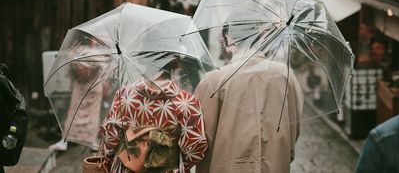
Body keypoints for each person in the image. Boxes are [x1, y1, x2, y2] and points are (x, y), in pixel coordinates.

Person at [194, 23, 304, 173]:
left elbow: (200, 139)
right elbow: (293, 129)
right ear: (259, 37)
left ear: (228, 37)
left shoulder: (214, 81)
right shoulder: (286, 76)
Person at [99, 57, 208, 172]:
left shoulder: (125, 94)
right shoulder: (187, 103)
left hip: (127, 168)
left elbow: (110, 139)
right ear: (175, 63)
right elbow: (195, 149)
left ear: (144, 59)